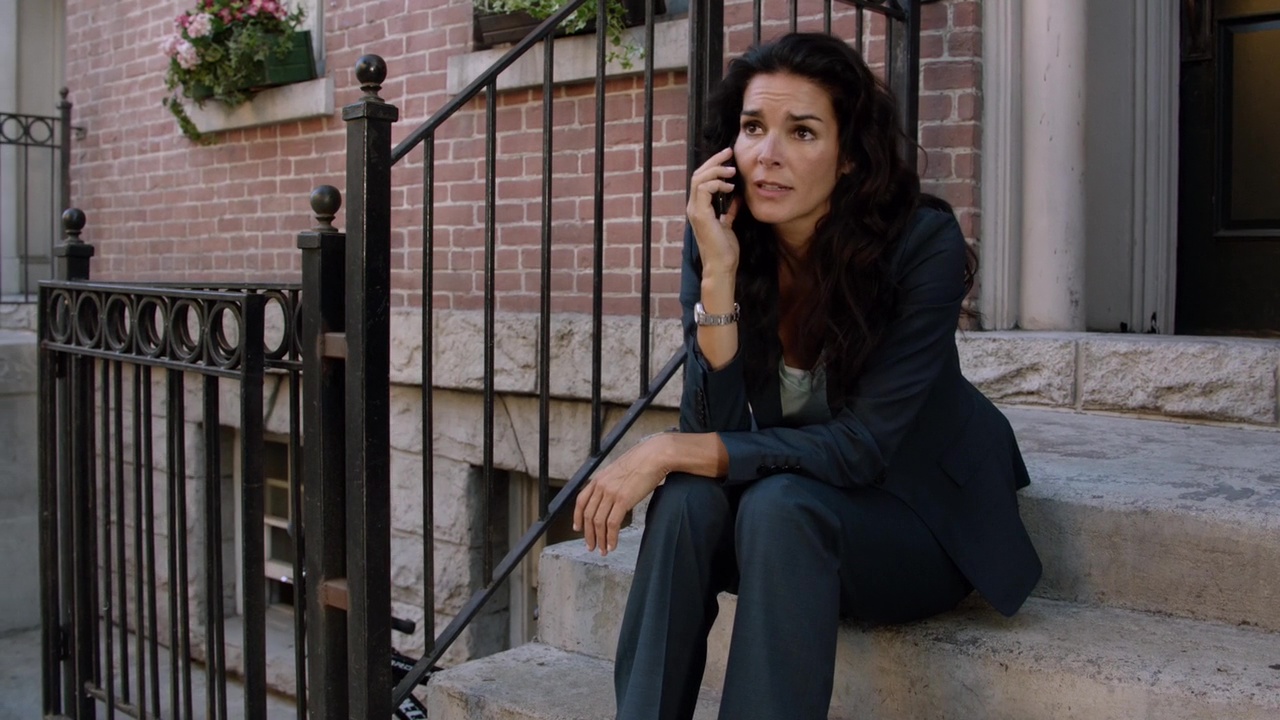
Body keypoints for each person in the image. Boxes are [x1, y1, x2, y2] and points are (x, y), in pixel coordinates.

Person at [572, 32, 1041, 720]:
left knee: (776, 503)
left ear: (849, 155)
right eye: (753, 128)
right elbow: (714, 428)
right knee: (686, 501)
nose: (768, 154)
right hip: (788, 526)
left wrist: (664, 448)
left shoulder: (920, 245)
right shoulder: (721, 239)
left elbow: (861, 448)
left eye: (802, 132)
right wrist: (720, 275)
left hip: (913, 521)